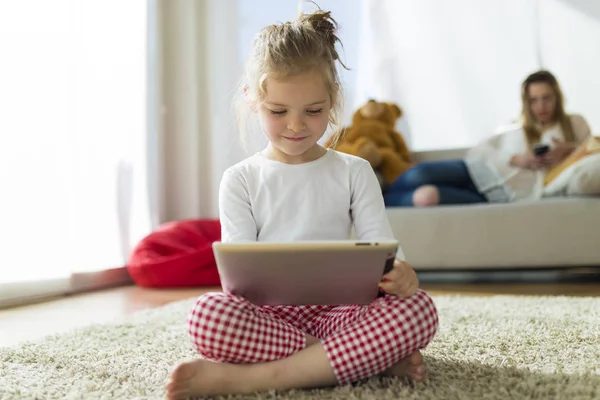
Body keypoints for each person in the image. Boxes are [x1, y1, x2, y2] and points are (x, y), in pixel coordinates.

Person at [165, 9, 439, 400]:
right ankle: (365, 361)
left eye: (313, 111)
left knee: (418, 310)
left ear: (332, 100)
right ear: (252, 99)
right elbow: (237, 281)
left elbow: (384, 253)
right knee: (207, 317)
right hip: (270, 318)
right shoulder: (240, 179)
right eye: (278, 112)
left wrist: (401, 275)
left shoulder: (354, 171)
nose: (296, 126)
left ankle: (251, 379)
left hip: (342, 313)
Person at [383, 70, 592, 207]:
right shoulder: (516, 127)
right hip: (477, 171)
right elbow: (479, 150)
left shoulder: (574, 123)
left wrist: (572, 150)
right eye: (534, 100)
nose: (541, 106)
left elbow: (593, 153)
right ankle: (368, 199)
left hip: (500, 196)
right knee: (420, 174)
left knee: (425, 197)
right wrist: (517, 159)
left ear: (557, 97)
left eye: (547, 98)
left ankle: (377, 204)